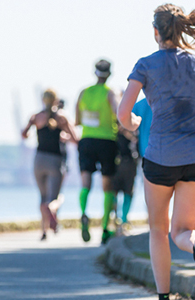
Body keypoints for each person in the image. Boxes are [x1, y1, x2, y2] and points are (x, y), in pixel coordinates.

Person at [116, 4, 195, 299]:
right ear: (180, 30)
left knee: (158, 230)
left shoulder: (145, 65)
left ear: (156, 31)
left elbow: (123, 113)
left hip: (160, 157)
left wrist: (134, 122)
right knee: (182, 230)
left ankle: (164, 296)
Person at [22, 89, 79, 241]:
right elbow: (75, 139)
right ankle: (52, 209)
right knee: (55, 197)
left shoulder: (36, 117)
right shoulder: (62, 118)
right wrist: (65, 137)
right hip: (55, 161)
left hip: (38, 160)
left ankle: (44, 231)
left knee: (42, 197)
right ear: (56, 100)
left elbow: (24, 134)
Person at [75, 59, 119, 244]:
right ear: (109, 74)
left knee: (86, 181)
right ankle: (104, 228)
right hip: (107, 140)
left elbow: (77, 120)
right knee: (107, 185)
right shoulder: (110, 94)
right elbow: (118, 115)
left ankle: (84, 213)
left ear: (95, 73)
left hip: (86, 139)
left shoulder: (84, 92)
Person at [112, 127, 140, 236]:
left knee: (128, 193)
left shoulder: (134, 132)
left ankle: (123, 221)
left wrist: (131, 135)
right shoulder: (114, 132)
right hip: (117, 164)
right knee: (114, 193)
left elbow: (138, 145)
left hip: (130, 164)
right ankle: (117, 220)